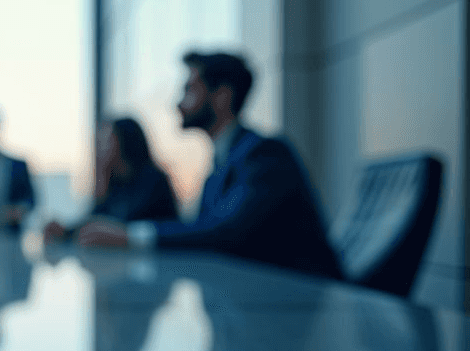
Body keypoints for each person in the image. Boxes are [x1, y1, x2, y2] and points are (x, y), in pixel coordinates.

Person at [79, 51, 342, 280]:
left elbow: (225, 233)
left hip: (306, 312)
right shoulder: (219, 167)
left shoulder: (265, 155)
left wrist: (131, 237)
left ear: (222, 97)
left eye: (190, 89)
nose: (178, 103)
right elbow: (204, 232)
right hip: (260, 306)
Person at [44, 117, 178, 242]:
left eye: (106, 140)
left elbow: (124, 224)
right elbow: (96, 222)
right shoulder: (116, 183)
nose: (100, 148)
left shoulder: (153, 180)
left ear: (124, 141)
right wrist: (66, 231)